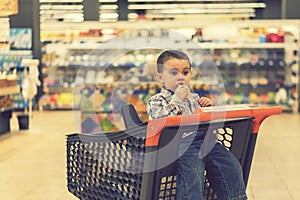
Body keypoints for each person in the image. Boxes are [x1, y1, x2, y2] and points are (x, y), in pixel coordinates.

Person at [146, 50, 247, 200]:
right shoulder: (157, 100)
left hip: (205, 141)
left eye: (185, 72)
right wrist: (177, 101)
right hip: (178, 144)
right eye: (174, 73)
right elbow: (158, 121)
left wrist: (207, 108)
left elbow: (203, 119)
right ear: (160, 77)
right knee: (193, 174)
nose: (181, 77)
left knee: (231, 166)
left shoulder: (193, 98)